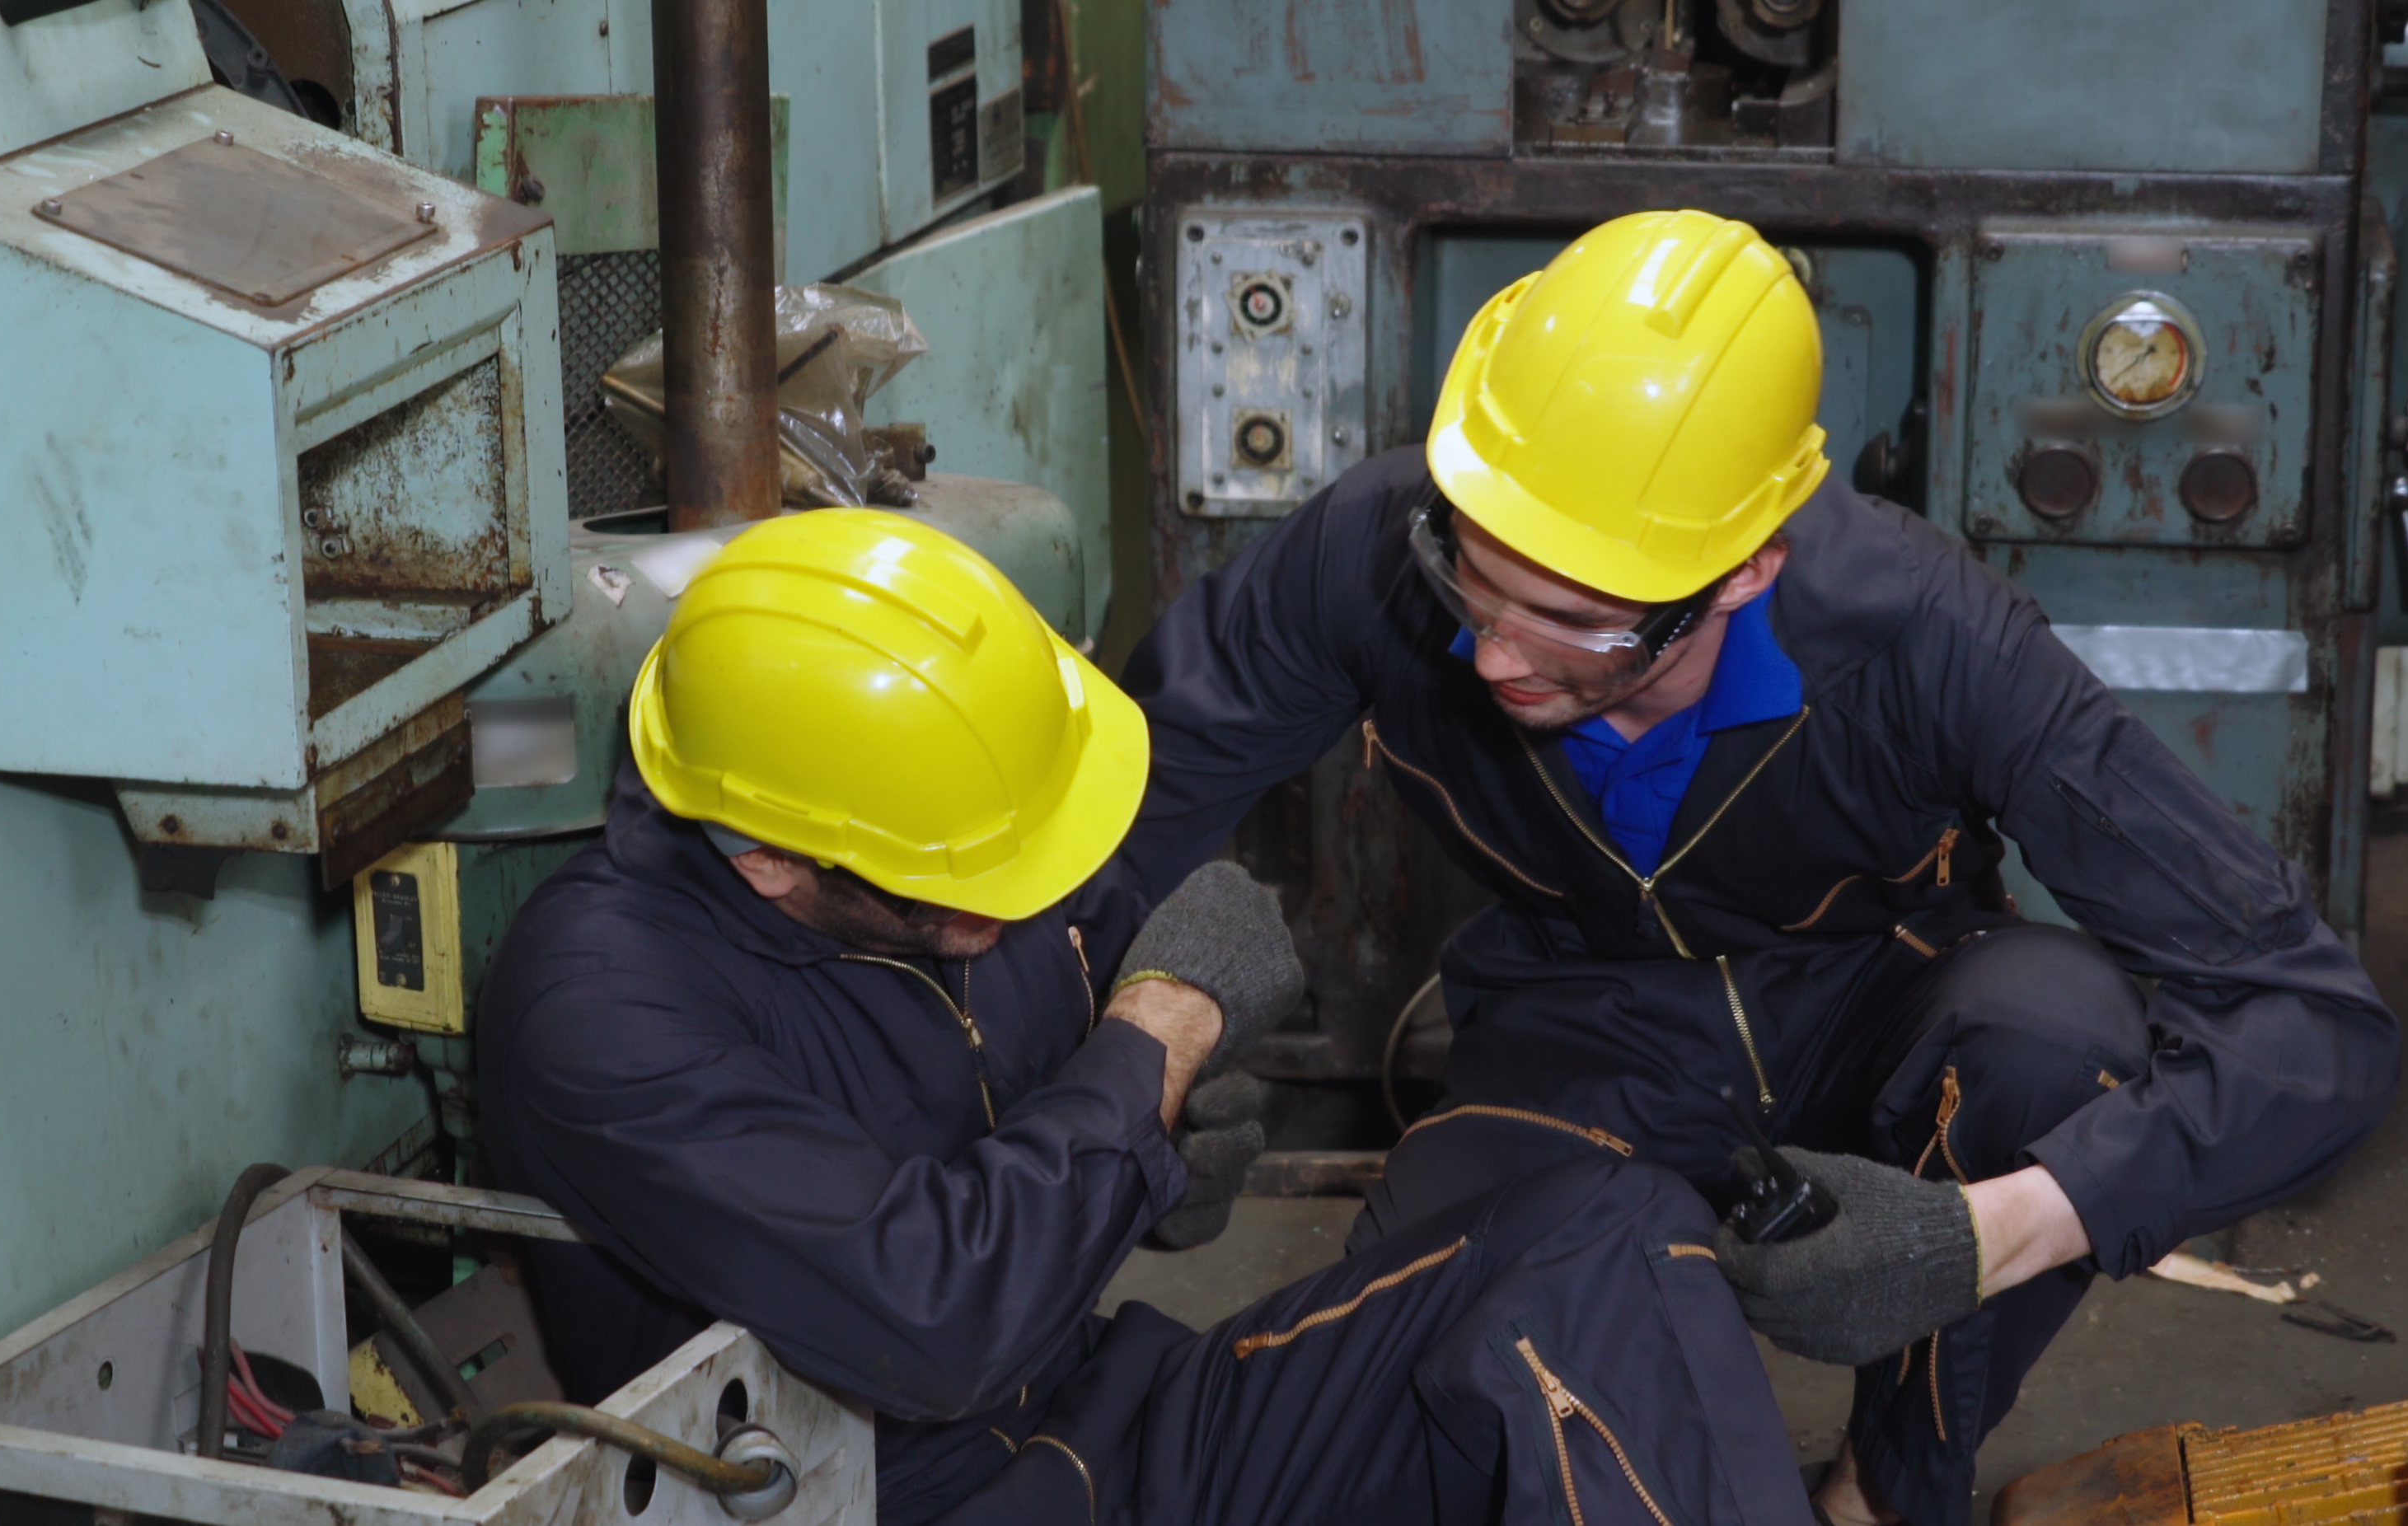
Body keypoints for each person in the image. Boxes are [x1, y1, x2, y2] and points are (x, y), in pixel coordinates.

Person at [1117, 209, 2402, 1526]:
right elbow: (1112, 818)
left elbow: (2316, 1028)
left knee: (2048, 1044)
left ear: (1745, 570)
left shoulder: (1934, 641)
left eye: (1575, 622)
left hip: (1878, 999)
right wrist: (1124, 1075)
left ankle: (1881, 1493)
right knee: (1422, 1391)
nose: (1495, 658)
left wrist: (1988, 1235)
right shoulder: (1369, 555)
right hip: (1577, 1023)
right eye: (1474, 582)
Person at [478, 509, 1815, 1526]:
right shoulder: (599, 1008)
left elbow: (1081, 1031)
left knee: (1609, 1231)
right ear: (769, 855)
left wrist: (1161, 1143)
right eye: (958, 891)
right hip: (902, 1496)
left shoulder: (918, 866)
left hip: (1108, 1419)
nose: (1000, 917)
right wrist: (1155, 1043)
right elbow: (937, 1324)